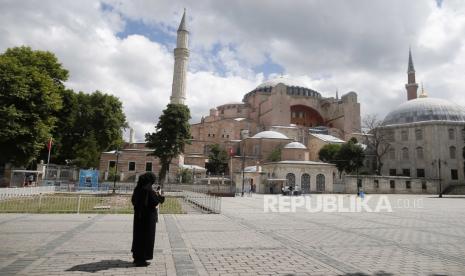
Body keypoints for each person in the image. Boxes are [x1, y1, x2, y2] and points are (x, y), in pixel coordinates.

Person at [131, 172, 165, 267]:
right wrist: (160, 194)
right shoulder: (148, 190)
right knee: (146, 238)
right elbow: (155, 202)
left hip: (138, 217)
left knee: (138, 237)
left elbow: (134, 201)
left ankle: (137, 257)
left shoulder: (137, 189)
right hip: (148, 219)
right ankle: (142, 259)